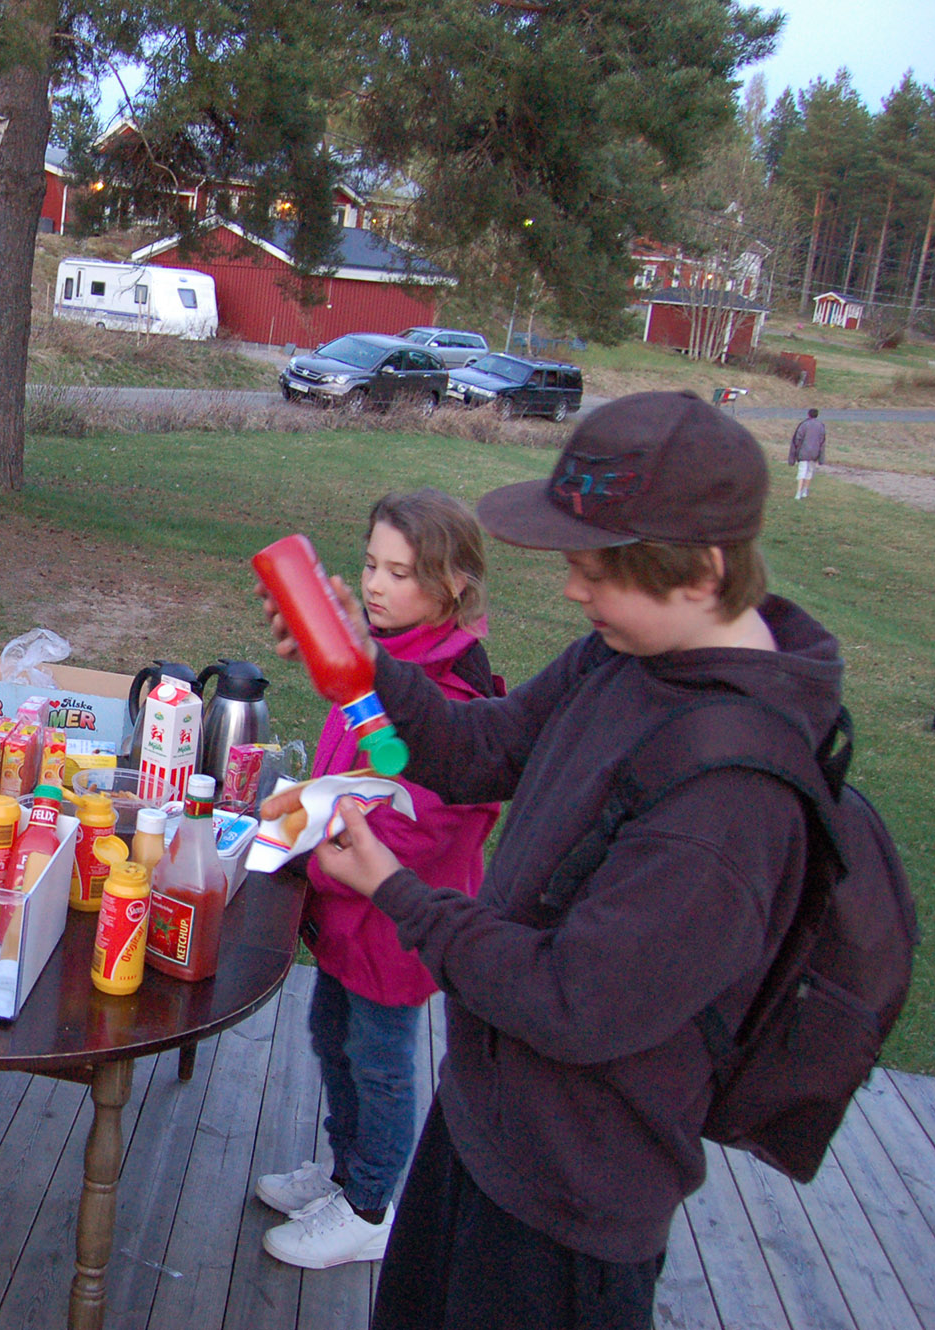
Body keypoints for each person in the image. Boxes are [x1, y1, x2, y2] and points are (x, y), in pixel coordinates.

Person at [263, 391, 841, 1329]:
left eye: (595, 571)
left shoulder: (733, 798)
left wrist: (399, 893)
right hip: (482, 1122)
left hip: (567, 1202)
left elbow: (572, 1001)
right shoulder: (622, 657)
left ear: (701, 570)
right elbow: (477, 748)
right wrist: (366, 660)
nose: (573, 590)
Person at [257, 490, 503, 1270]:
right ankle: (344, 1170)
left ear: (454, 583)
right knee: (331, 1038)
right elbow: (370, 758)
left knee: (382, 1063)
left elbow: (420, 809)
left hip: (395, 924)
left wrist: (318, 827)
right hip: (345, 915)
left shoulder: (455, 690)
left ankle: (369, 1206)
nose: (375, 585)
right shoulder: (383, 656)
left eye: (400, 573)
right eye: (370, 564)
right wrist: (301, 806)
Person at [788, 407, 826, 499]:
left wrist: (796, 451)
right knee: (809, 472)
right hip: (814, 453)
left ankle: (798, 493)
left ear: (808, 415)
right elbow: (822, 441)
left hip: (803, 452)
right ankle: (805, 491)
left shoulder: (804, 425)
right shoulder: (821, 425)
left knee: (802, 472)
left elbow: (797, 439)